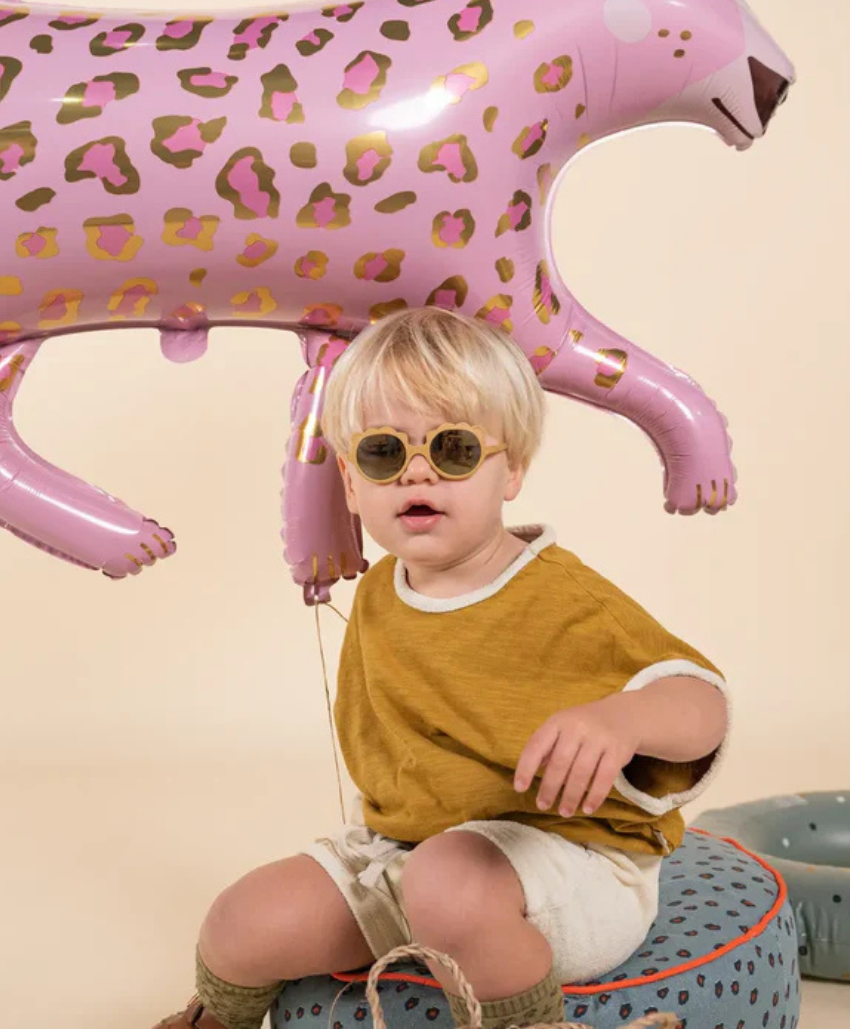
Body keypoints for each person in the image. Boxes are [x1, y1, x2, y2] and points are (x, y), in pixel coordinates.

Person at [153, 307, 730, 1029]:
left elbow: (703, 701)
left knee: (449, 883)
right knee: (242, 921)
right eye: (382, 454)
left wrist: (625, 716)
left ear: (512, 468)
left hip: (570, 866)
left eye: (453, 449)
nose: (417, 471)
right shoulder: (376, 593)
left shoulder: (559, 594)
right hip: (414, 856)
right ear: (352, 487)